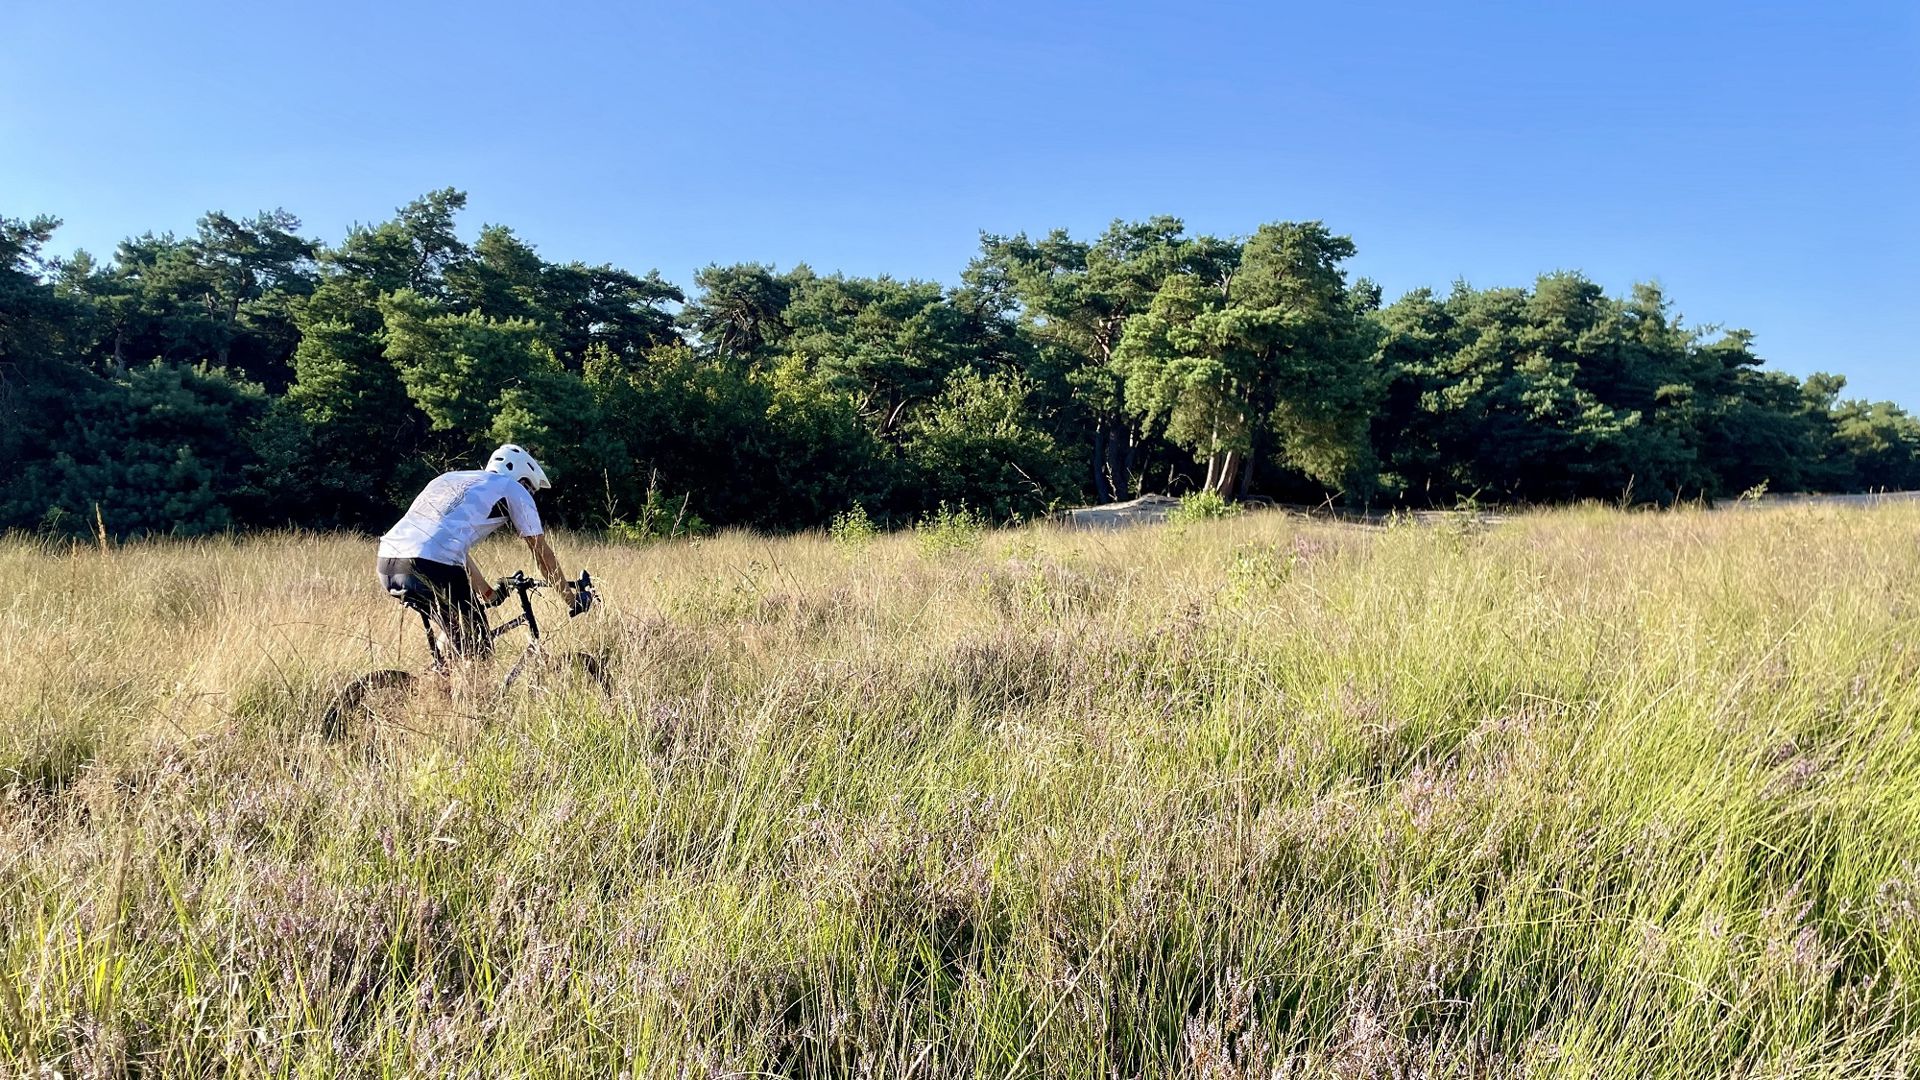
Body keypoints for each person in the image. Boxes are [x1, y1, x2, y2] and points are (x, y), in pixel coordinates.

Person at [375, 444, 577, 661]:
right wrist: (573, 600)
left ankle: (436, 686)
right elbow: (543, 556)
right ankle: (475, 692)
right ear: (523, 479)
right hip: (432, 564)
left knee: (455, 630)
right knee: (480, 653)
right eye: (531, 490)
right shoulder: (512, 487)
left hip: (388, 561)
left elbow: (453, 551)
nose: (529, 495)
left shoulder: (449, 479)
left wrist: (488, 594)